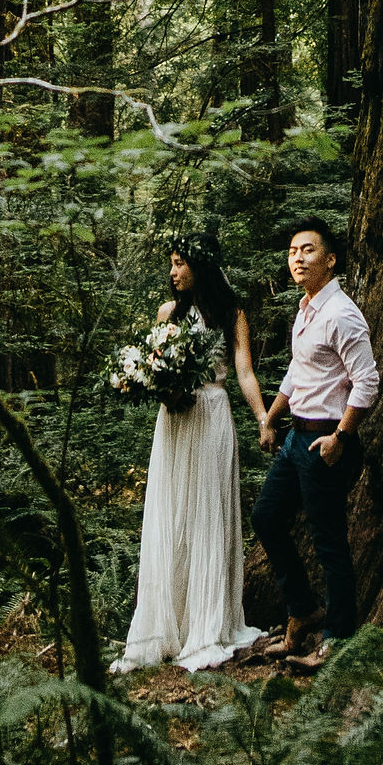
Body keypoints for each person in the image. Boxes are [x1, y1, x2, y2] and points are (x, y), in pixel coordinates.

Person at [116, 241, 269, 673]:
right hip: (175, 420)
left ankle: (208, 624)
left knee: (206, 515)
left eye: (179, 264)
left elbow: (243, 370)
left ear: (199, 266)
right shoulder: (168, 314)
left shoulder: (231, 314)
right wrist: (159, 387)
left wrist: (262, 418)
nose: (173, 273)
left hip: (213, 415)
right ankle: (169, 626)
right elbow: (155, 367)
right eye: (170, 265)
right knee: (174, 514)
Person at [254, 218, 380, 666]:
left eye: (307, 251)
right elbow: (297, 371)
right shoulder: (307, 309)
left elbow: (367, 382)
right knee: (266, 517)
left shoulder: (342, 313)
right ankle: (304, 611)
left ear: (330, 259)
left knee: (329, 542)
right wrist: (271, 417)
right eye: (292, 251)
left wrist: (341, 437)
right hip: (295, 438)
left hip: (327, 442)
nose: (297, 259)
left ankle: (337, 639)